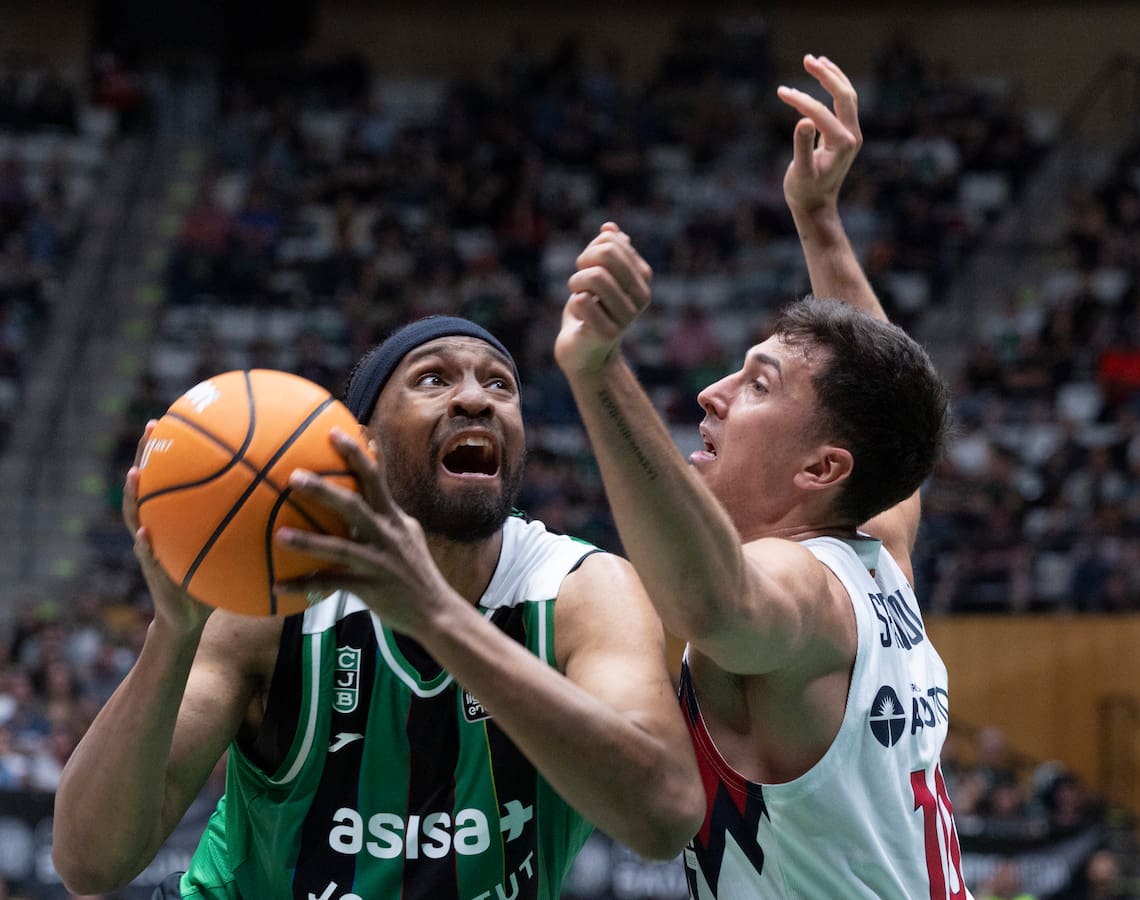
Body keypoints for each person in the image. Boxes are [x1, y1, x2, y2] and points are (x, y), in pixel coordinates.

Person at [52, 316, 705, 898]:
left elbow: (665, 818)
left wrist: (434, 616)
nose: (477, 398)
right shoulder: (281, 599)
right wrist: (174, 631)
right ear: (358, 443)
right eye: (433, 379)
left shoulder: (579, 591)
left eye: (501, 385)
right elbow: (90, 864)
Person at [554, 55, 970, 898]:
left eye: (757, 384)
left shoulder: (800, 590)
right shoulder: (878, 549)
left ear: (821, 468)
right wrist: (817, 219)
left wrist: (599, 371)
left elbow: (714, 604)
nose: (712, 394)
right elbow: (889, 404)